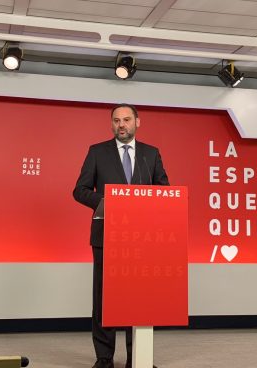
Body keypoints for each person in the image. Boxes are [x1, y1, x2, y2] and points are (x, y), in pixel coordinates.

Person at [73, 103, 169, 368]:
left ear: (138, 122)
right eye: (116, 120)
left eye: (127, 119)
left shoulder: (152, 154)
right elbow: (79, 190)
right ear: (112, 124)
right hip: (106, 237)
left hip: (142, 240)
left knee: (138, 300)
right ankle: (104, 359)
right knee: (104, 300)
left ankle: (138, 358)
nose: (121, 125)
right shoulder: (97, 152)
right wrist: (108, 201)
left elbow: (164, 191)